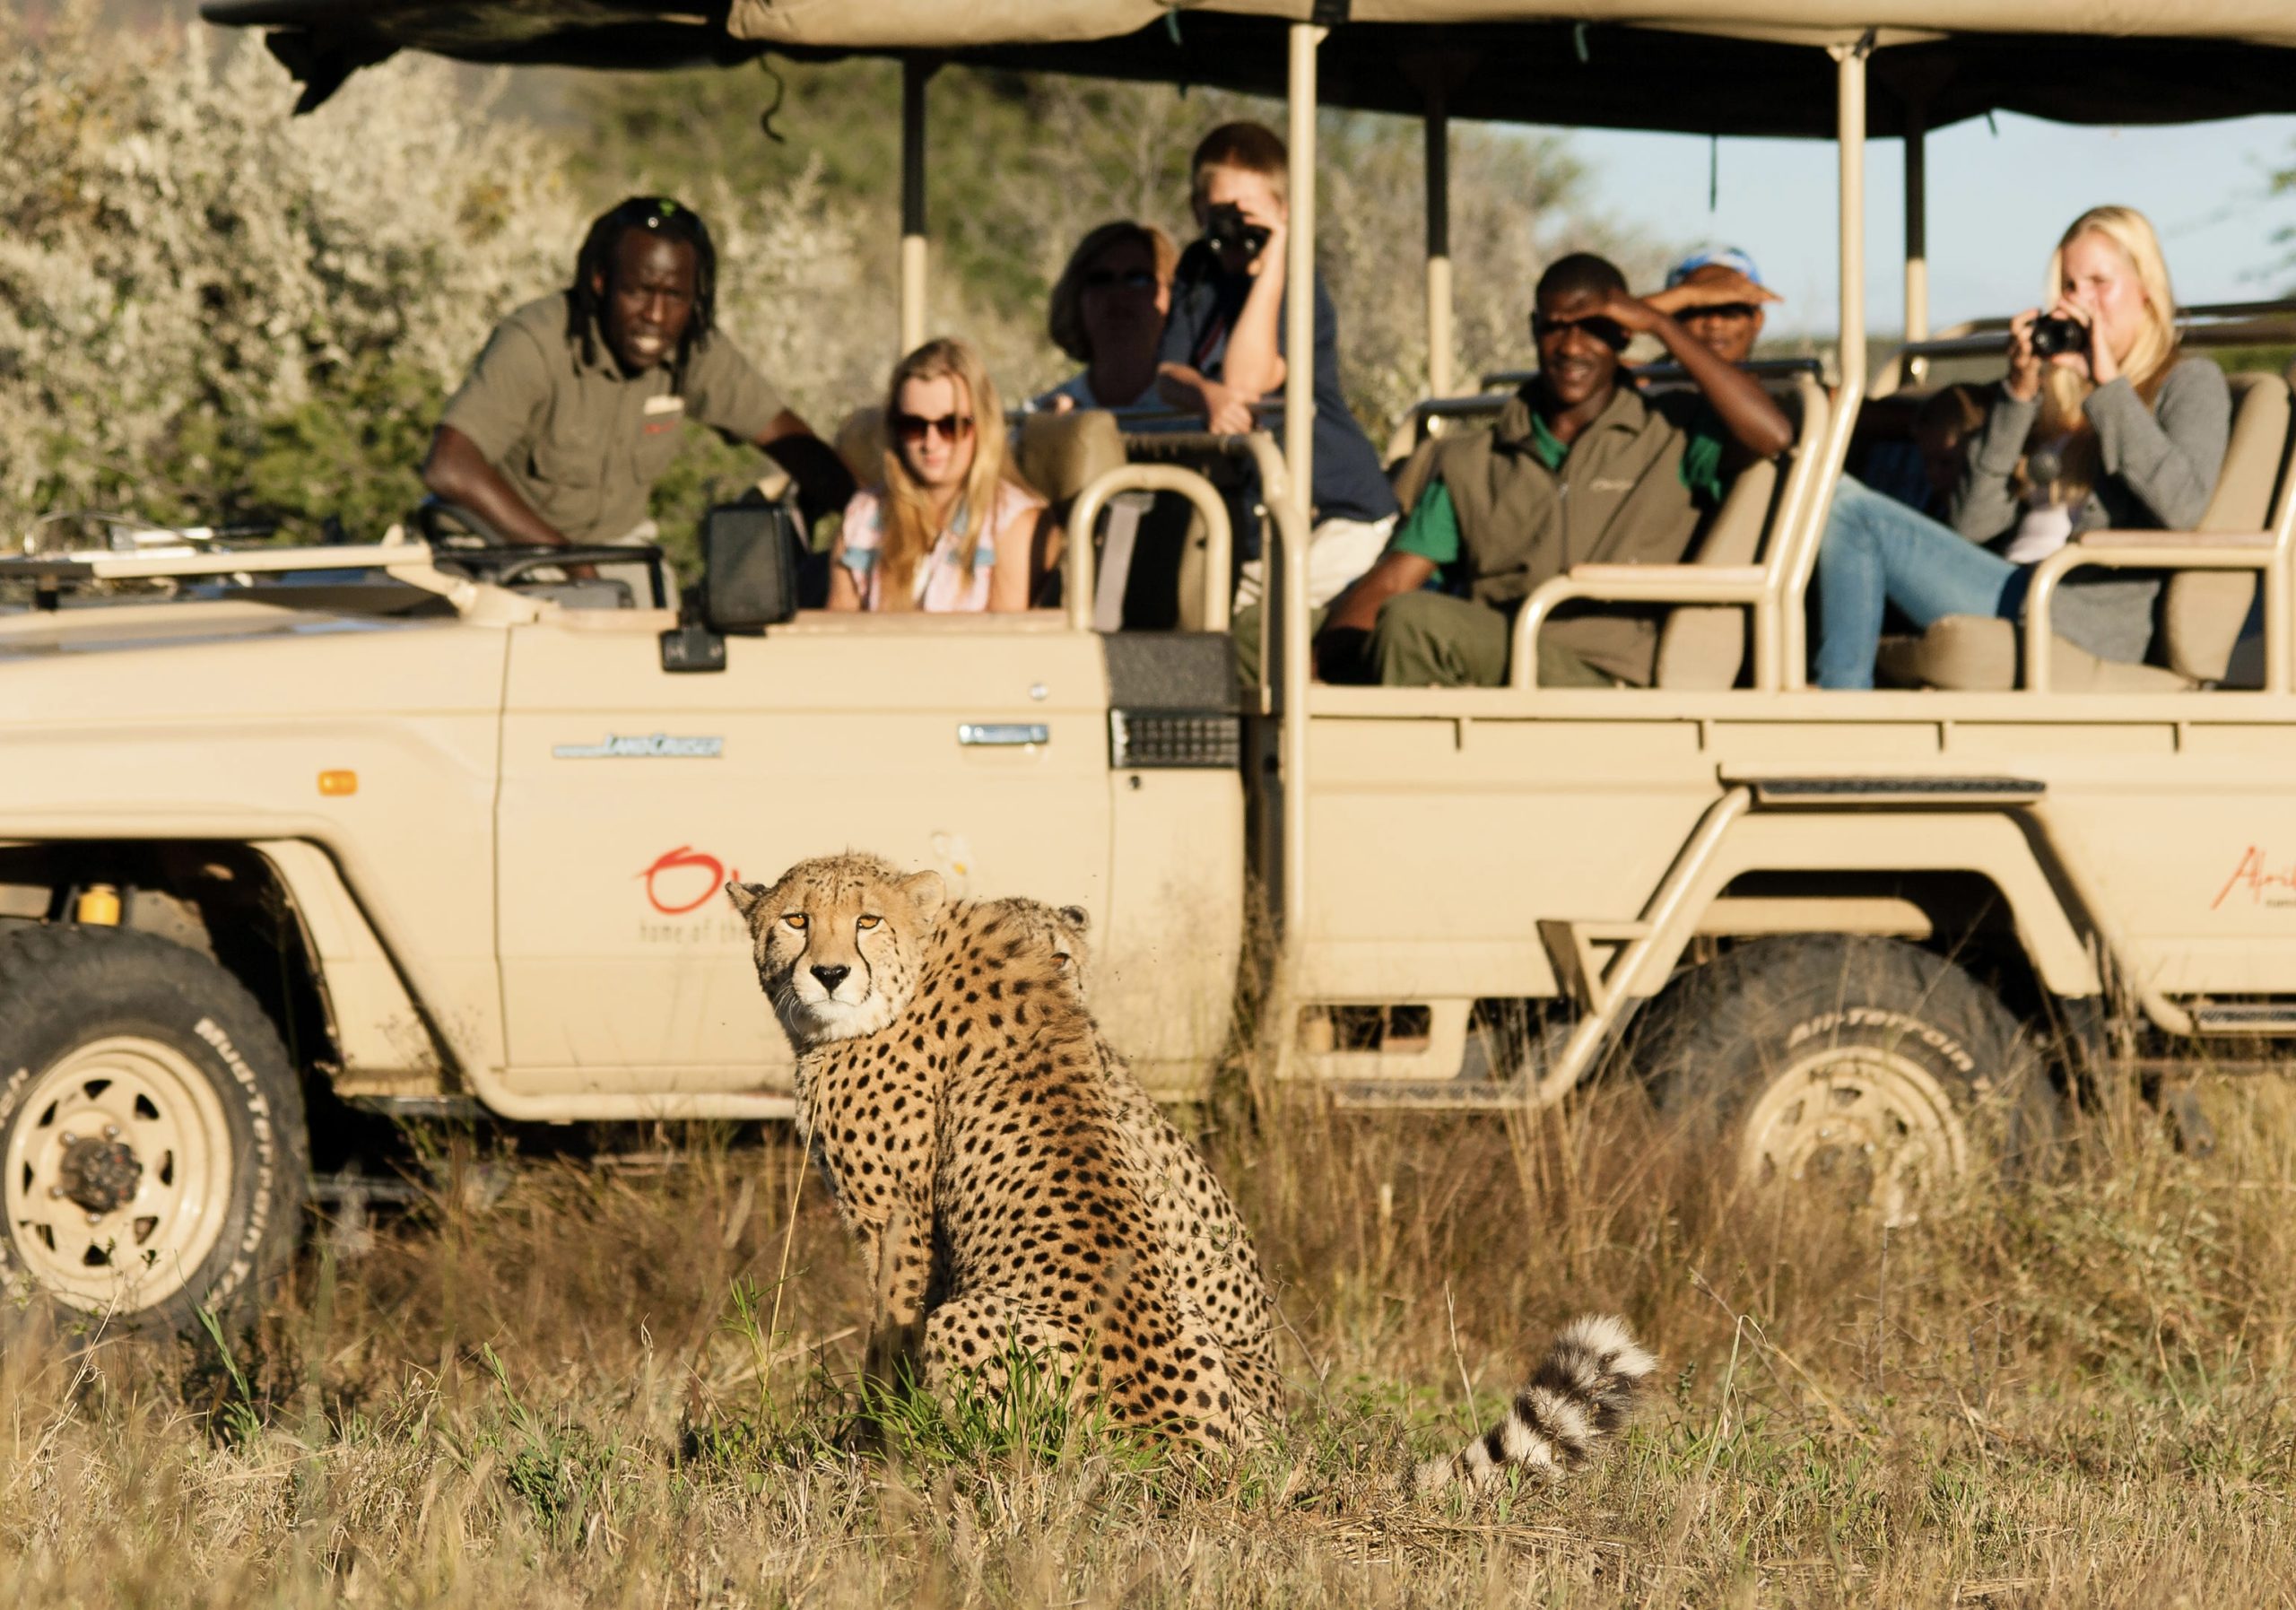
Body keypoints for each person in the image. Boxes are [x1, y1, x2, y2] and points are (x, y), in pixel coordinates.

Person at [1309, 252, 1794, 689]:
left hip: (1602, 669)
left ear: (1625, 333)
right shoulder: (1476, 458)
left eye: (1593, 329)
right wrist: (1310, 664)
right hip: (1497, 652)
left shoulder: (1674, 435)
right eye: (1556, 327)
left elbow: (1772, 434)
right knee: (1263, 637)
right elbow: (1394, 580)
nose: (1571, 347)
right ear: (1534, 329)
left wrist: (1664, 326)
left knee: (1413, 623)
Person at [1812, 205, 2231, 690]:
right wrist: (2018, 393)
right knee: (1827, 495)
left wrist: (2108, 386)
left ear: (2146, 289)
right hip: (2013, 586)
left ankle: (1841, 709)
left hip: (2076, 612)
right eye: (2071, 288)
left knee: (1848, 510)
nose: (2082, 303)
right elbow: (1971, 525)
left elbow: (2183, 507)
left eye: (2100, 283)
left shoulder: (2189, 382)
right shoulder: (2057, 394)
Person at [422, 196, 853, 562]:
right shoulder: (536, 341)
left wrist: (871, 520)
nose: (656, 316)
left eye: (675, 297)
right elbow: (450, 468)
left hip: (616, 554)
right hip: (494, 551)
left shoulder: (691, 346)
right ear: (600, 281)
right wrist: (568, 561)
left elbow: (783, 435)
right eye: (639, 291)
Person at [1155, 121, 1401, 611]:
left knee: (1251, 628)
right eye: (1220, 214)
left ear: (1284, 212)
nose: (1234, 230)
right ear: (1197, 211)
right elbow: (1168, 375)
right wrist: (1205, 394)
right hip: (1262, 515)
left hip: (1336, 514)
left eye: (1248, 214)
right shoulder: (1197, 268)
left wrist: (1275, 258)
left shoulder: (1298, 285)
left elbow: (1249, 383)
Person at [830, 338, 1054, 614]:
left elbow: (1006, 646)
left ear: (983, 424)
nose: (930, 442)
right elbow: (836, 627)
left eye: (951, 426)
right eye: (913, 425)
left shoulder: (1013, 523)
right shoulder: (863, 514)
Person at [1036, 222, 1178, 413]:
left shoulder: (1199, 413)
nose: (1119, 294)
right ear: (1076, 297)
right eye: (1101, 279)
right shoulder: (1046, 415)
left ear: (1174, 293)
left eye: (1138, 279)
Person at [1646, 246, 1779, 366]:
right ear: (1672, 317)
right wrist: (1690, 295)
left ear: (1757, 320)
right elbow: (1626, 318)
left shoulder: (1781, 389)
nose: (1715, 323)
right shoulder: (1643, 387)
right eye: (1697, 310)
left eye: (1730, 311)